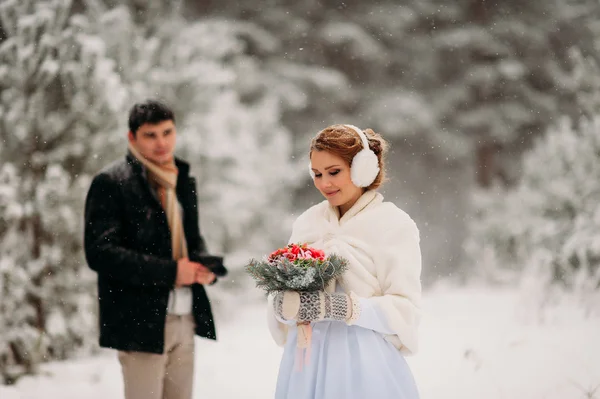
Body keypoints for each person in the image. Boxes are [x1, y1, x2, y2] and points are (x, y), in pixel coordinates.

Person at [267, 124, 422, 398]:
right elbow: (284, 298)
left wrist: (343, 307)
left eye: (334, 172)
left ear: (363, 168)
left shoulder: (394, 225)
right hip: (305, 366)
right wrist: (281, 306)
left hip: (364, 365)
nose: (324, 183)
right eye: (316, 174)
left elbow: (404, 310)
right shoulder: (307, 222)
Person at [84, 100, 225, 399]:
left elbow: (190, 239)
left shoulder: (182, 179)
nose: (162, 142)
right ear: (131, 137)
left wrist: (206, 268)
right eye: (151, 135)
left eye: (167, 132)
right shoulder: (111, 183)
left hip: (185, 316)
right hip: (140, 322)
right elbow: (101, 253)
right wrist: (173, 271)